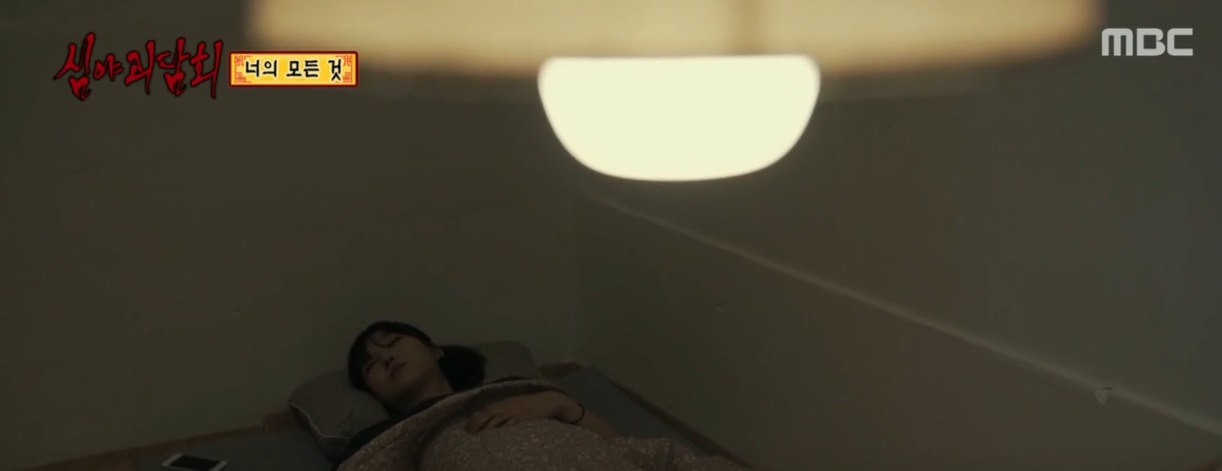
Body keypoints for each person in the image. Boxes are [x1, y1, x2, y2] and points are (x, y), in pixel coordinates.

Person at [337, 321, 619, 464]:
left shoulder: (514, 388)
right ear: (374, 395)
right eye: (370, 365)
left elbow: (617, 445)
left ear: (434, 350)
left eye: (393, 342)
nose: (386, 358)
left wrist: (557, 403)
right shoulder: (380, 441)